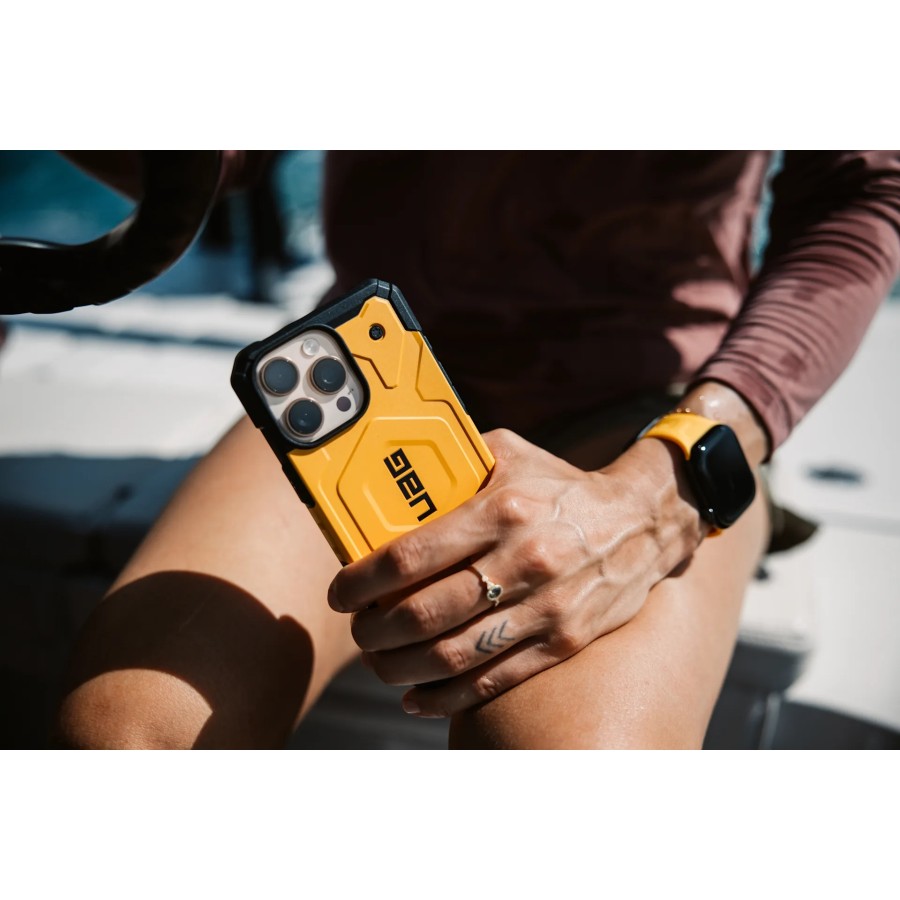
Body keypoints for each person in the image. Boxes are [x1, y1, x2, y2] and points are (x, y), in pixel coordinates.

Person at [54, 152, 900, 749]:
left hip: (649, 415)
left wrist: (665, 491)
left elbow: (864, 188)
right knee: (123, 742)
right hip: (373, 376)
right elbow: (223, 155)